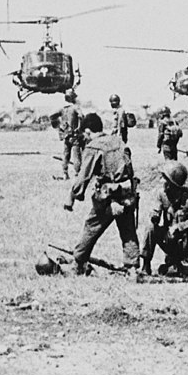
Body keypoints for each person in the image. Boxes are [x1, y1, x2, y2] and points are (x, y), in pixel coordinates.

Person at [65, 113, 140, 275]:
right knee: (128, 231)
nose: (85, 138)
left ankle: (78, 263)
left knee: (91, 228)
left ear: (87, 131)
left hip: (107, 197)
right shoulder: (118, 141)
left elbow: (83, 176)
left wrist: (73, 197)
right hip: (126, 193)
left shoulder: (94, 147)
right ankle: (132, 268)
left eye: (85, 135)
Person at [141, 161, 188, 276]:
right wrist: (154, 216)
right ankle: (146, 266)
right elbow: (155, 210)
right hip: (169, 240)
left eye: (167, 180)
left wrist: (179, 227)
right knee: (150, 228)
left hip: (185, 241)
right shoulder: (162, 194)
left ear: (174, 184)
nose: (164, 183)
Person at [55, 90, 83, 180]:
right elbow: (81, 116)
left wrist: (60, 129)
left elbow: (52, 117)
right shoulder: (75, 108)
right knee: (76, 156)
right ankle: (77, 174)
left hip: (66, 135)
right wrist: (79, 128)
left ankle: (65, 174)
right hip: (75, 136)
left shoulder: (62, 109)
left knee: (66, 155)